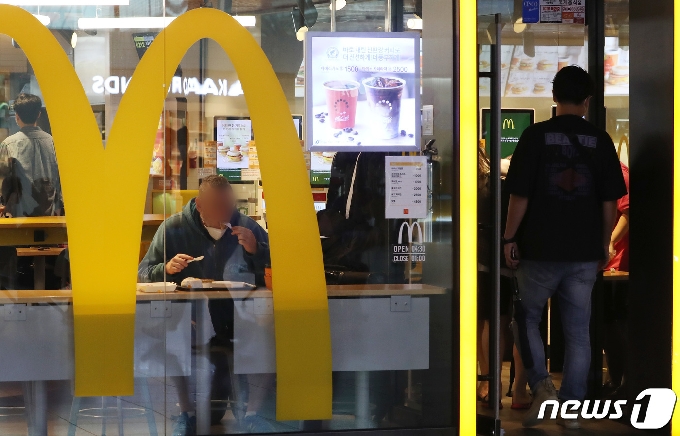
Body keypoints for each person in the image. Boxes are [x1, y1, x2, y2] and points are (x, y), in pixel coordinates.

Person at [502, 66, 627, 429]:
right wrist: (604, 242)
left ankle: (541, 386)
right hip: (584, 252)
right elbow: (609, 203)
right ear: (587, 102)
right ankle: (571, 409)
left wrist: (510, 237)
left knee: (526, 319)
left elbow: (520, 195)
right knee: (578, 332)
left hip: (538, 248)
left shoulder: (534, 136)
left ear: (554, 97)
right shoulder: (601, 141)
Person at [139, 174, 273, 435]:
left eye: (229, 206)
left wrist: (257, 250)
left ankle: (254, 413)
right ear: (199, 205)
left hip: (239, 318)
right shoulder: (173, 228)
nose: (225, 213)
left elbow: (276, 270)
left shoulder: (248, 227)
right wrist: (165, 268)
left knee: (268, 334)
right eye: (217, 206)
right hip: (192, 319)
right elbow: (143, 271)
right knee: (176, 337)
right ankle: (187, 412)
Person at [0, 93, 62, 218]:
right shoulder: (53, 143)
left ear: (17, 116)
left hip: (18, 217)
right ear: (39, 114)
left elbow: (4, 180)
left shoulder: (8, 144)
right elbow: (61, 180)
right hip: (51, 215)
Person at [601, 161, 630, 399]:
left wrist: (610, 241)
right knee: (606, 323)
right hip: (601, 263)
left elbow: (628, 213)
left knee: (615, 323)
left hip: (616, 265)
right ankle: (614, 378)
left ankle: (621, 379)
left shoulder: (620, 174)